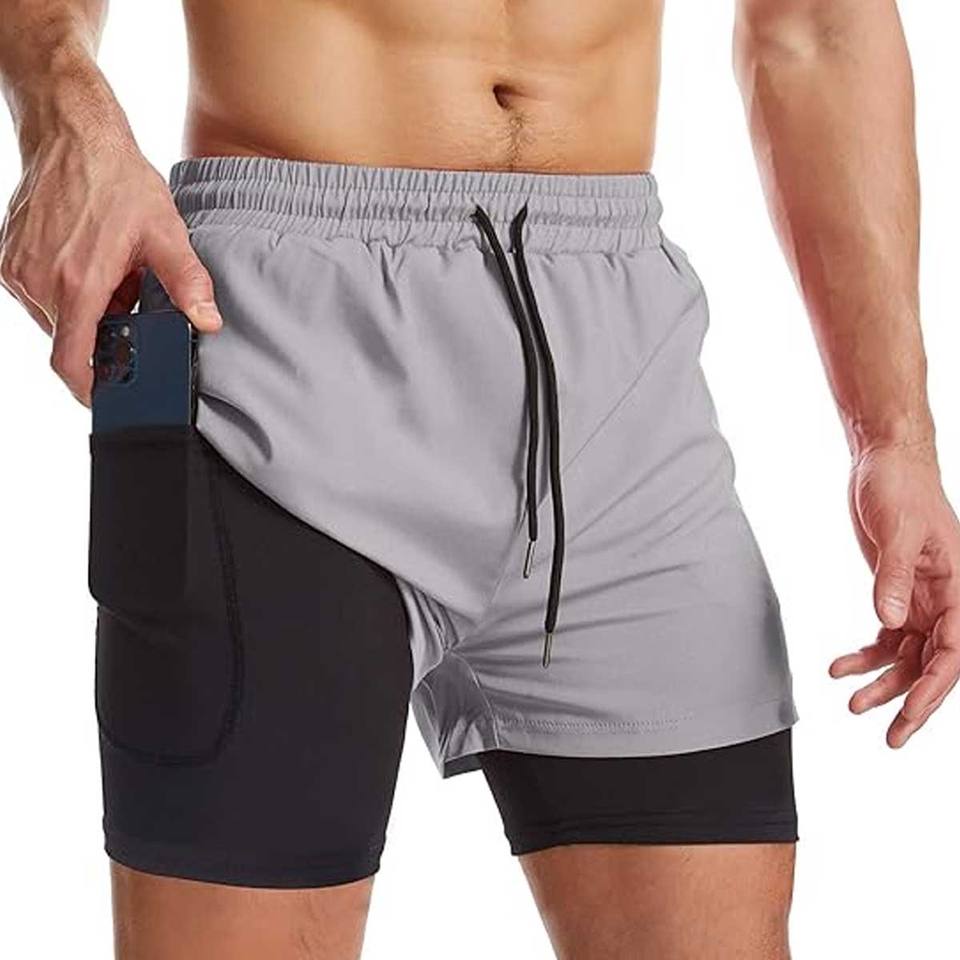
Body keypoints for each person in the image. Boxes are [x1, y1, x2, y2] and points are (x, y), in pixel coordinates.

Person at [2, 1, 957, 958]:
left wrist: (894, 435)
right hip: (280, 348)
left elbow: (816, 27)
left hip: (620, 377)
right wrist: (64, 112)